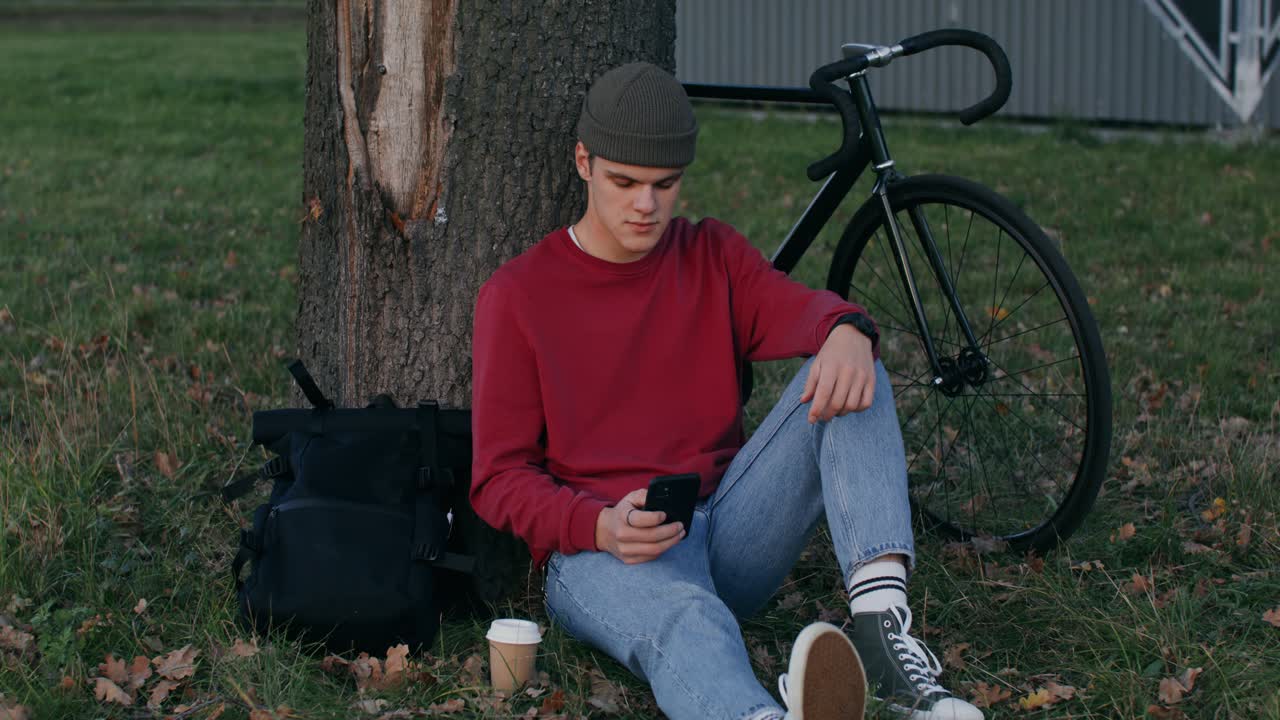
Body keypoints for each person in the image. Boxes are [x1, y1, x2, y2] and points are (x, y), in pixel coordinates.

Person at [470, 62, 983, 720]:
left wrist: (849, 329)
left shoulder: (709, 255)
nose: (645, 206)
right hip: (602, 553)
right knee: (687, 618)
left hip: (731, 528)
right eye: (624, 183)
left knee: (851, 369)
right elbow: (497, 477)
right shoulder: (518, 297)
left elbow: (801, 311)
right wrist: (595, 524)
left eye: (664, 185)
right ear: (583, 162)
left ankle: (884, 637)